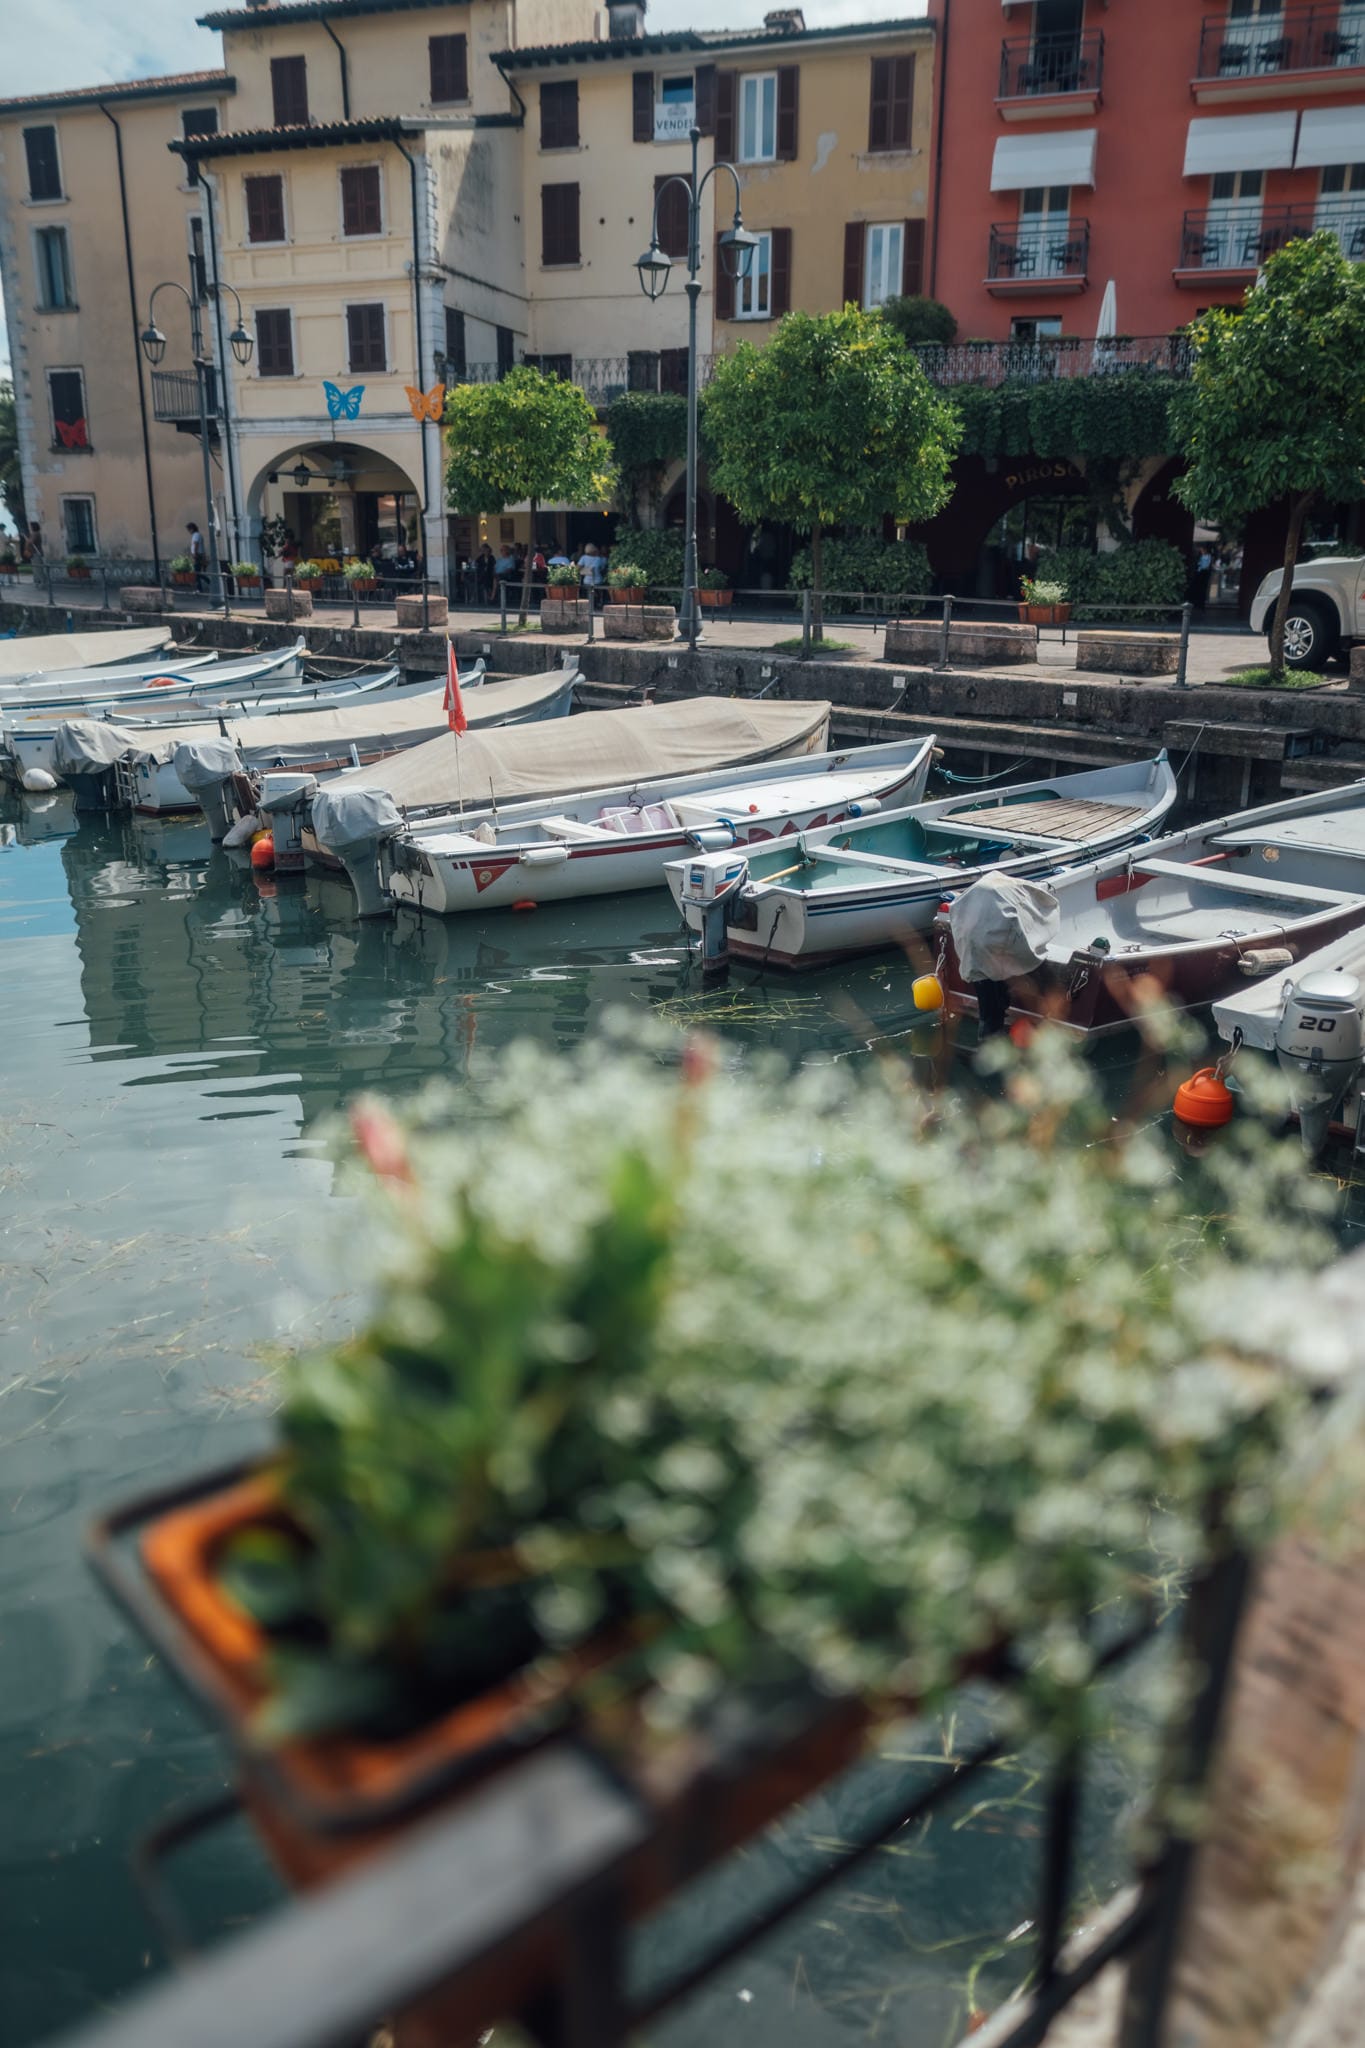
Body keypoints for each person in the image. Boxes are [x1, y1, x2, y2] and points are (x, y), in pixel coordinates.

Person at [187, 521, 208, 592]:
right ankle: (202, 586)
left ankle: (202, 587)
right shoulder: (197, 535)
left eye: (189, 529)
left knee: (197, 573)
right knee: (197, 572)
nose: (189, 531)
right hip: (199, 555)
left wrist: (195, 554)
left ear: (192, 529)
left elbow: (196, 544)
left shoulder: (196, 535)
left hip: (198, 555)